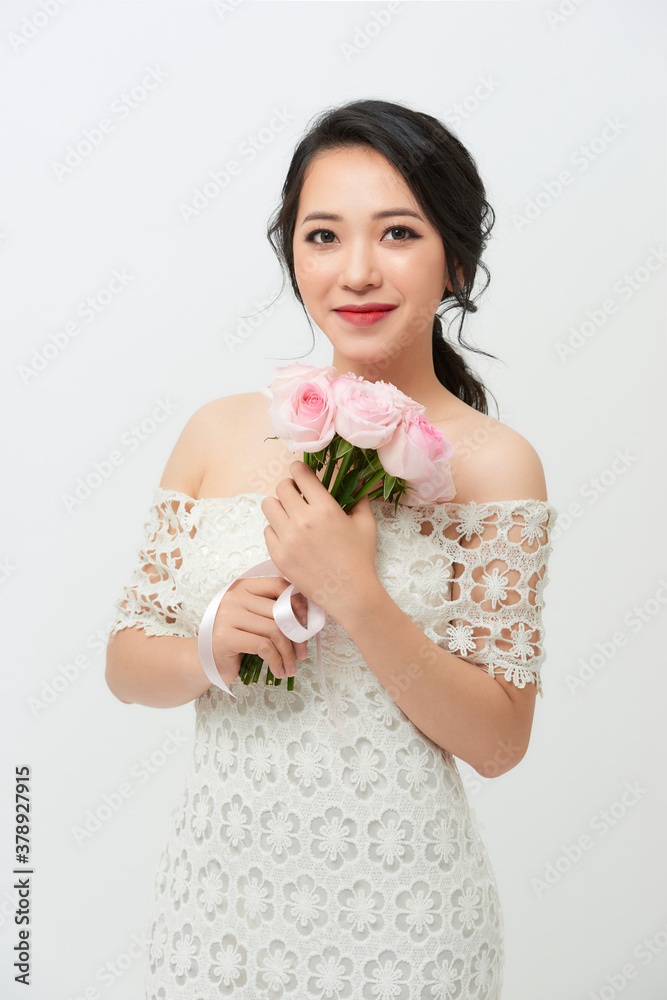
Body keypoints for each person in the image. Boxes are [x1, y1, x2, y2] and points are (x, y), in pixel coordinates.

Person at [106, 98, 557, 999]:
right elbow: (125, 664)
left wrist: (356, 594)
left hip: (405, 924)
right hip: (217, 913)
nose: (356, 271)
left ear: (455, 260)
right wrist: (207, 642)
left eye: (397, 232)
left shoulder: (494, 463)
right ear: (293, 256)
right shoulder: (216, 432)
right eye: (322, 236)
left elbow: (499, 743)